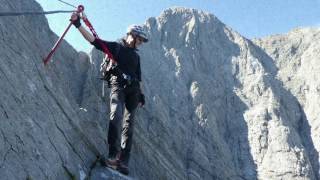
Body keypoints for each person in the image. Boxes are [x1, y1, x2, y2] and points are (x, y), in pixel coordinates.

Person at [70, 13, 148, 175]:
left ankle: (123, 162)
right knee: (116, 116)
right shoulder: (116, 47)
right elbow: (93, 40)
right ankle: (113, 156)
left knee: (129, 126)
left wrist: (141, 94)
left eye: (141, 40)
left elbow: (139, 77)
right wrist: (78, 24)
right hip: (118, 86)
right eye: (139, 39)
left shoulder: (136, 56)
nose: (140, 43)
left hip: (133, 90)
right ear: (131, 36)